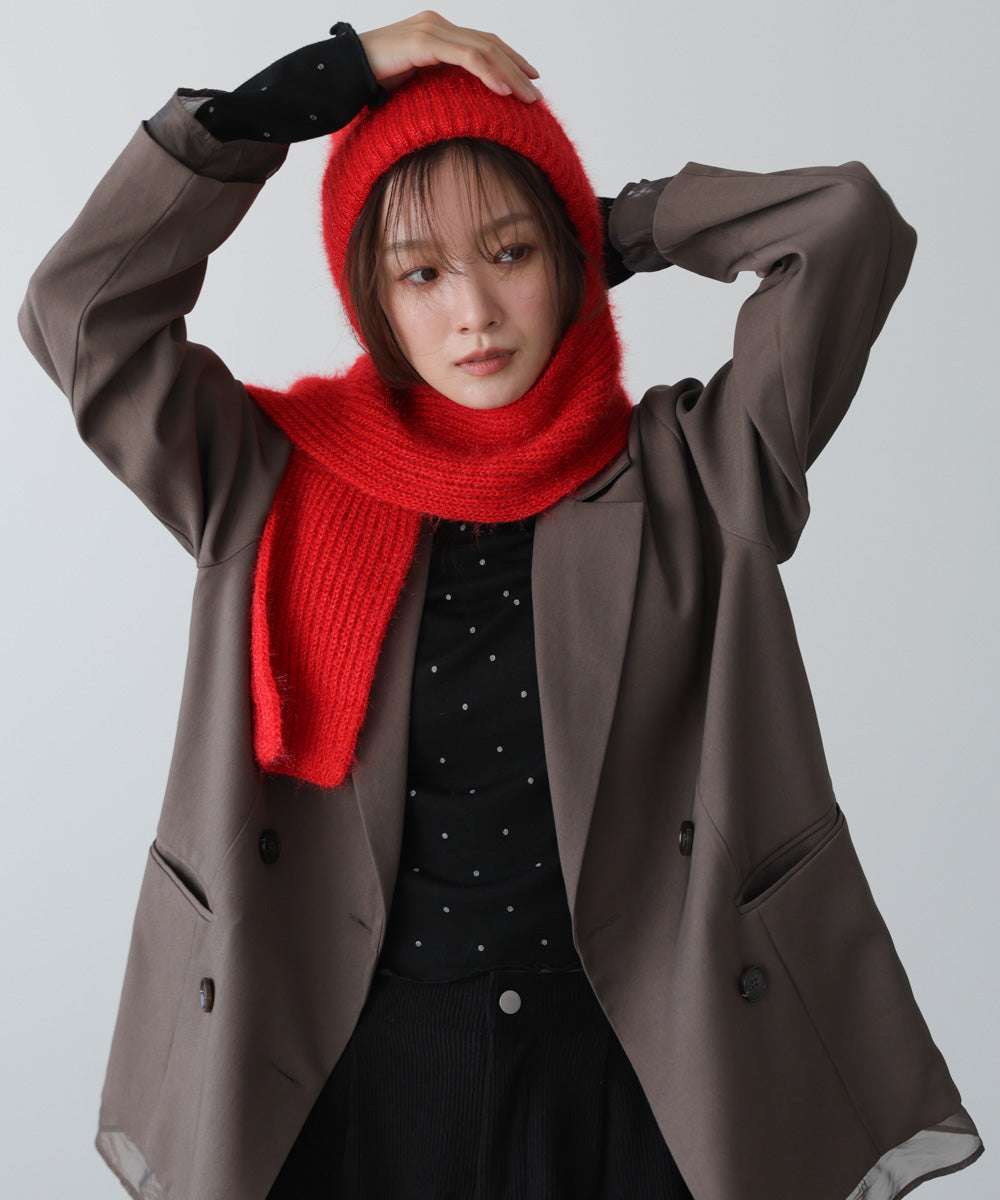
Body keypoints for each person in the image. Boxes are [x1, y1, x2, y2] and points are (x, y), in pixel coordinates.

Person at [18, 11, 984, 1200]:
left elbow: (844, 225)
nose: (471, 310)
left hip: (633, 1070)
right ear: (373, 295)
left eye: (511, 252)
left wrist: (610, 225)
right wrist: (306, 90)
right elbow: (80, 310)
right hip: (351, 1067)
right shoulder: (262, 477)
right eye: (420, 272)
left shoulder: (698, 474)